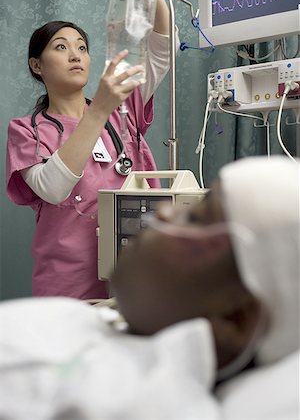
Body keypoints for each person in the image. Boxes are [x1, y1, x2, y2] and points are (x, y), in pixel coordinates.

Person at [0, 156, 298, 420]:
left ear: (234, 320)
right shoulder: (77, 320)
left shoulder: (128, 403)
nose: (166, 211)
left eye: (193, 217)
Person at [6, 0, 177, 300]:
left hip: (137, 276)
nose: (75, 54)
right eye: (61, 47)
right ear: (36, 65)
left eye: (82, 47)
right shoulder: (28, 130)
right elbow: (53, 189)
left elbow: (160, 51)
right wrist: (98, 109)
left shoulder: (121, 107)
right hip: (68, 285)